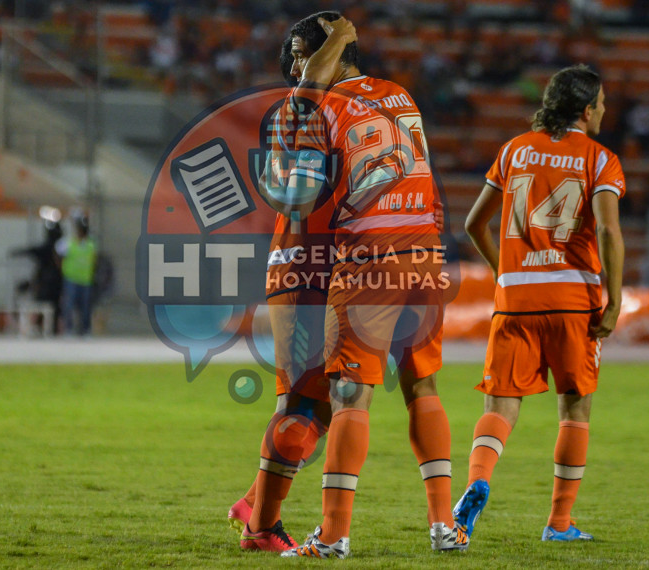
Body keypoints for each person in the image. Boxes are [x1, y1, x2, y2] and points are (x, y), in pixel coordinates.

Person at [270, 13, 463, 558]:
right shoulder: (402, 96)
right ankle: (443, 527)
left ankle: (332, 536)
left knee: (350, 394)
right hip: (424, 250)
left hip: (370, 258)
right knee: (422, 387)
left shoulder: (316, 105)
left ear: (325, 53)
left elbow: (299, 200)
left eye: (297, 55)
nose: (291, 67)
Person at [454, 64, 625, 544]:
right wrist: (614, 300)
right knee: (574, 411)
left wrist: (502, 273)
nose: (605, 111)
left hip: (517, 300)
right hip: (573, 300)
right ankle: (559, 524)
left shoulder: (512, 150)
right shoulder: (599, 159)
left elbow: (473, 224)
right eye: (603, 104)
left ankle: (478, 481)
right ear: (587, 110)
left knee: (500, 406)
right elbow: (609, 231)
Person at [227, 34, 338, 553]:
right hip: (303, 266)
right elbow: (302, 196)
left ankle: (253, 505)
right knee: (305, 406)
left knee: (313, 405)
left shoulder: (297, 110)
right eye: (297, 54)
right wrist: (339, 34)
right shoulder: (303, 109)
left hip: (304, 265)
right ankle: (260, 529)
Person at [10, 218, 63, 334]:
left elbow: (34, 251)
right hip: (52, 284)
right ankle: (46, 329)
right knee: (49, 310)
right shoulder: (57, 248)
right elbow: (34, 251)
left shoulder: (58, 248)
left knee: (48, 309)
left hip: (50, 285)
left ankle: (46, 329)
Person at [57, 211, 97, 336]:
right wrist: (62, 268)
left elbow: (94, 260)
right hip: (71, 279)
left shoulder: (91, 244)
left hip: (86, 280)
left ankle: (85, 330)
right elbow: (57, 253)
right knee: (68, 306)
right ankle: (68, 329)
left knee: (85, 308)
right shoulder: (69, 243)